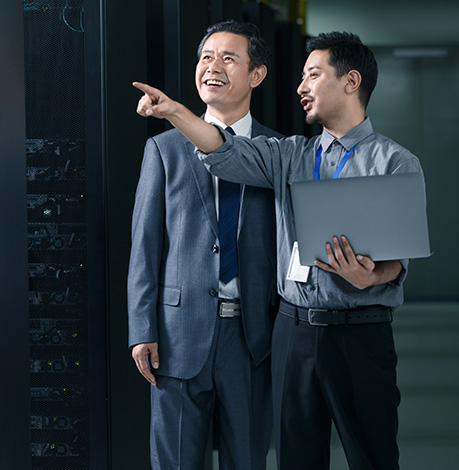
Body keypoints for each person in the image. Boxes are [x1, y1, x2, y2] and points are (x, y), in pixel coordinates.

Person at [133, 31, 425, 470]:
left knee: (373, 455)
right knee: (296, 458)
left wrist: (374, 276)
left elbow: (398, 258)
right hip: (294, 329)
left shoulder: (395, 161)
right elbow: (221, 149)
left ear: (351, 81)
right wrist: (173, 110)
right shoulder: (290, 154)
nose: (301, 87)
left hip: (359, 330)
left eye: (312, 75)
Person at [128, 20, 283, 470]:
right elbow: (145, 246)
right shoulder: (165, 148)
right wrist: (142, 329)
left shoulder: (279, 151)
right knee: (176, 461)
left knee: (248, 459)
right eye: (205, 57)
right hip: (177, 334)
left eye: (228, 58)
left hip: (253, 335)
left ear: (257, 75)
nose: (212, 67)